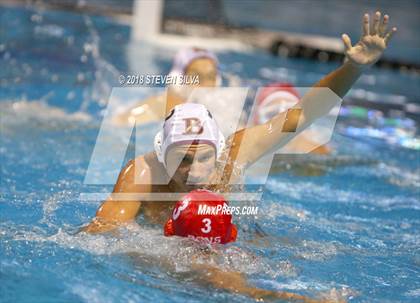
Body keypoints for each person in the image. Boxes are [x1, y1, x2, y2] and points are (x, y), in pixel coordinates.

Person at [82, 12, 396, 301]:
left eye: (202, 158)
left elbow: (302, 115)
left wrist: (353, 68)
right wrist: (163, 254)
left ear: (218, 150)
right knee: (208, 271)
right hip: (170, 247)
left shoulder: (234, 153)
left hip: (238, 236)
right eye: (182, 159)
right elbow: (99, 239)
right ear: (162, 153)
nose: (192, 171)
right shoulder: (142, 175)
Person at [112, 47, 220, 126]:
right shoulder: (159, 106)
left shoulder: (219, 106)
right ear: (178, 78)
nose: (205, 85)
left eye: (210, 77)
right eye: (196, 77)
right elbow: (120, 123)